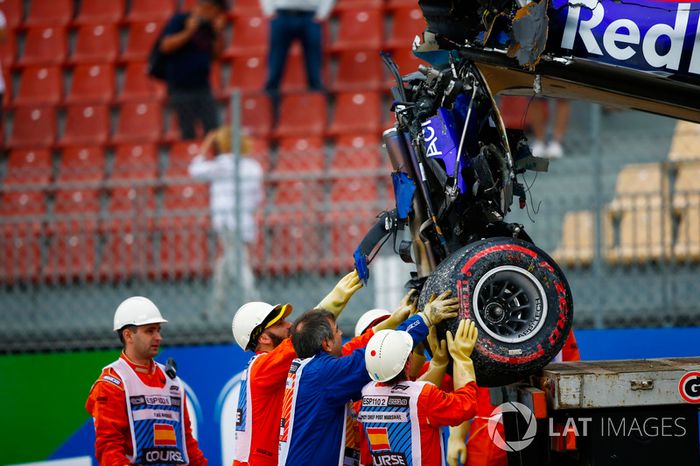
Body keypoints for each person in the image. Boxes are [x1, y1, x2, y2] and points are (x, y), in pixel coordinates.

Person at [232, 271, 407, 466]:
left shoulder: (285, 366)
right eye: (280, 323)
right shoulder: (263, 368)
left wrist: (390, 324)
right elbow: (297, 343)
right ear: (263, 338)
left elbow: (343, 355)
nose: (289, 325)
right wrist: (333, 302)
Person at [277, 290, 460, 466]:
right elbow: (380, 353)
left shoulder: (310, 369)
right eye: (337, 330)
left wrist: (402, 326)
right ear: (326, 343)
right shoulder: (325, 374)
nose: (341, 334)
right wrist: (424, 319)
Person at [85, 297, 207, 465]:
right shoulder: (111, 384)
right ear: (128, 335)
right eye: (150, 331)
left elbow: (186, 444)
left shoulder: (172, 381)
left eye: (158, 330)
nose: (158, 337)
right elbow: (109, 448)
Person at [446, 330, 581, 466]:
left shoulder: (553, 320)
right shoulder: (477, 318)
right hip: (487, 434)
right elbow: (461, 377)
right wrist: (456, 435)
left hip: (540, 432)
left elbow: (568, 383)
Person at [358, 319, 478, 466]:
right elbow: (466, 405)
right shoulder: (424, 396)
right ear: (408, 362)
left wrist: (438, 364)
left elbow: (365, 459)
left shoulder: (363, 397)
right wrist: (462, 357)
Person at [188, 126, 264, 317]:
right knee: (226, 262)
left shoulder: (222, 165)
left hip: (227, 222)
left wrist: (206, 146)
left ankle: (255, 304)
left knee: (238, 263)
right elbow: (257, 198)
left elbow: (195, 170)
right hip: (245, 221)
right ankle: (215, 306)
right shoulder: (253, 166)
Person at [160, 0, 226, 139]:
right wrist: (189, 31)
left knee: (213, 128)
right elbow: (166, 46)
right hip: (180, 87)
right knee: (187, 131)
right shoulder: (180, 20)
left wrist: (219, 33)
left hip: (202, 86)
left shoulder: (209, 28)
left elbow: (218, 54)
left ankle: (214, 158)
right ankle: (191, 156)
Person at [260, 0, 334, 120]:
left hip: (310, 15)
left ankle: (316, 118)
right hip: (281, 15)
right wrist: (268, 10)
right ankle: (268, 119)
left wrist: (323, 13)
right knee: (273, 74)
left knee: (315, 75)